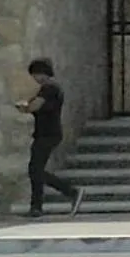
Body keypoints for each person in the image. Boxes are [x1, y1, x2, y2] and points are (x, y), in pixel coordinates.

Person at [15, 58, 83, 217]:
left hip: (48, 134)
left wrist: (24, 107)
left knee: (35, 170)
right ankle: (37, 207)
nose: (34, 78)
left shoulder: (49, 88)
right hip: (46, 133)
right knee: (35, 170)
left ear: (41, 73)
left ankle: (70, 192)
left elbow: (35, 106)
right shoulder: (50, 89)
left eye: (35, 75)